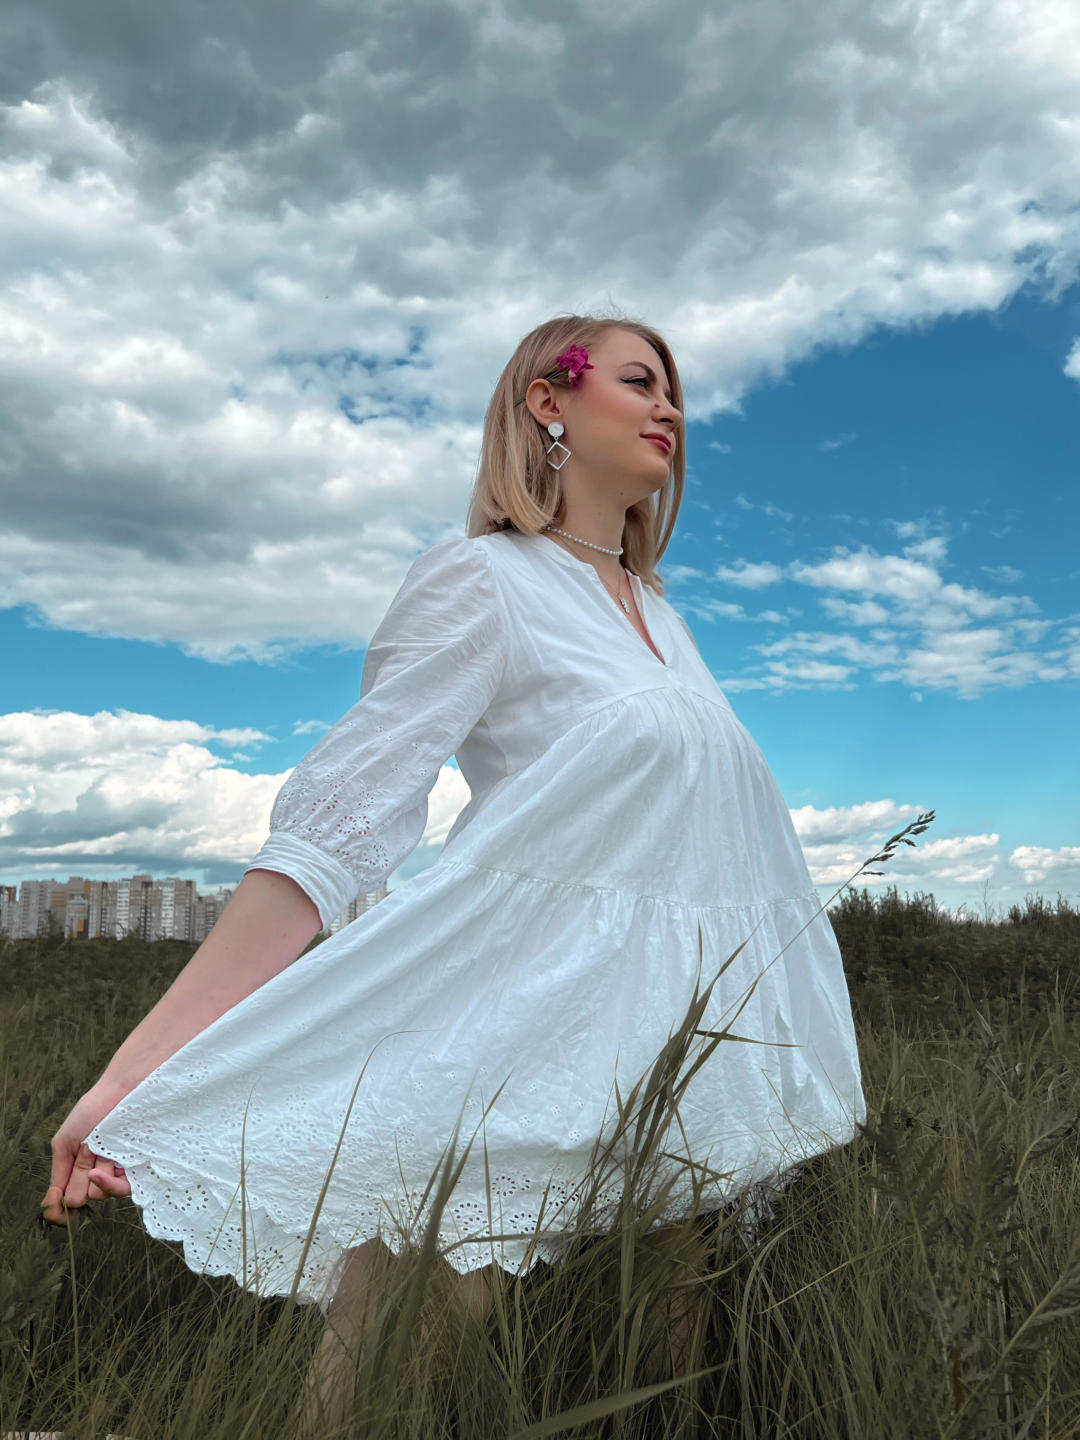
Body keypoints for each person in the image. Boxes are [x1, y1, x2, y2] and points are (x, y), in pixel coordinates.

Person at [42, 313, 867, 1426]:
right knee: (405, 1343)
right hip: (515, 1025)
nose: (670, 406)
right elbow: (335, 831)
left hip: (666, 1045)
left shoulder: (664, 621)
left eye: (675, 389)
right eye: (639, 380)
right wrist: (132, 1075)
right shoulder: (484, 580)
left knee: (667, 1356)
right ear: (548, 402)